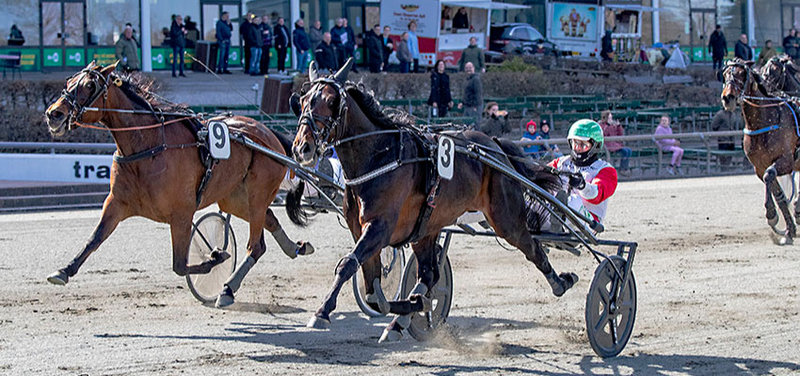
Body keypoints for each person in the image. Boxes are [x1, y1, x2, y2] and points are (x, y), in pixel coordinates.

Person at [548, 119, 618, 225]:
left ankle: (558, 220)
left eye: (584, 144)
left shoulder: (606, 170)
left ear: (595, 146)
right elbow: (540, 175)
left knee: (574, 201)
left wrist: (583, 186)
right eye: (575, 143)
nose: (578, 148)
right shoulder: (561, 162)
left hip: (589, 221)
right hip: (557, 211)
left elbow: (596, 195)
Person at [598, 111, 631, 175]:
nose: (611, 120)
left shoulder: (613, 125)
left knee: (628, 150)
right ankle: (623, 169)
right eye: (609, 118)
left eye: (611, 118)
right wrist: (608, 125)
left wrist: (618, 126)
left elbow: (620, 134)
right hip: (607, 146)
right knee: (625, 152)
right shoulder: (601, 125)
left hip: (615, 145)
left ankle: (624, 168)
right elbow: (604, 133)